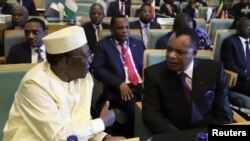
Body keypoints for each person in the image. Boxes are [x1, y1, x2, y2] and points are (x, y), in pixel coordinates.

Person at [3, 26, 125, 141]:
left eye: (89, 53)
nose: (90, 60)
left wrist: (103, 138)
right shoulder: (34, 85)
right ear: (66, 62)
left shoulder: (84, 76)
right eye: (85, 55)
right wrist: (102, 123)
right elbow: (58, 137)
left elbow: (81, 120)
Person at [142, 26, 233, 134]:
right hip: (173, 136)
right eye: (169, 49)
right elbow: (152, 117)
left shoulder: (214, 70)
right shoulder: (154, 74)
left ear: (194, 53)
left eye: (179, 52)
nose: (171, 55)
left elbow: (224, 115)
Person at [92, 15, 145, 138]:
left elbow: (145, 66)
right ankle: (131, 137)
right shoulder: (102, 46)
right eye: (120, 28)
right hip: (118, 89)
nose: (124, 31)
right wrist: (119, 83)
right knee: (136, 110)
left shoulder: (138, 44)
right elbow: (97, 69)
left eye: (127, 27)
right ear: (111, 29)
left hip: (141, 85)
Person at [221, 17, 250, 96]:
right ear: (238, 29)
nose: (249, 29)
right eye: (246, 27)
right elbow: (229, 66)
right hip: (238, 79)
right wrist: (247, 76)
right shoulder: (229, 42)